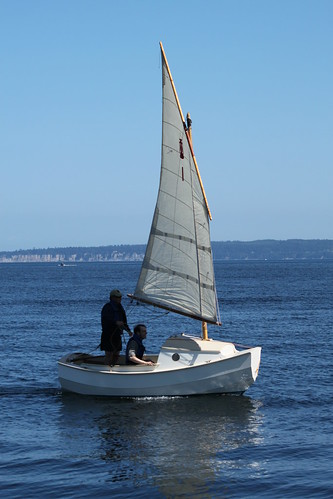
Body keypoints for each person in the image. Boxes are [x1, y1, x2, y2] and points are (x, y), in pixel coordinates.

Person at [101, 289, 132, 366]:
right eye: (117, 297)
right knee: (109, 354)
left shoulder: (120, 308)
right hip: (108, 335)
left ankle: (113, 367)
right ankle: (106, 369)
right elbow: (105, 319)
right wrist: (115, 322)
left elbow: (124, 321)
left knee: (116, 354)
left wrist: (128, 331)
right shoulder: (107, 307)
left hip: (117, 335)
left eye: (120, 297)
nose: (119, 299)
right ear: (112, 298)